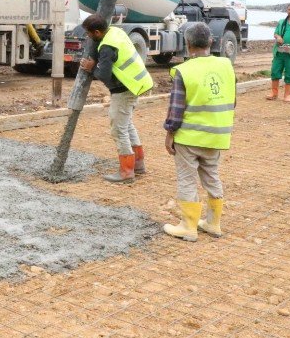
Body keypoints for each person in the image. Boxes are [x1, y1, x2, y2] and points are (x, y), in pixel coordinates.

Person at [162, 22, 235, 242]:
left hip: (189, 137)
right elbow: (232, 100)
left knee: (186, 179)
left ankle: (188, 226)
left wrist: (169, 133)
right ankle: (213, 223)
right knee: (212, 176)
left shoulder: (183, 70)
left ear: (187, 44)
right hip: (217, 135)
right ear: (212, 42)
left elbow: (176, 109)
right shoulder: (226, 65)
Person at [78, 14, 153, 183]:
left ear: (97, 32)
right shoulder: (115, 33)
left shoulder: (106, 47)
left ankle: (126, 172)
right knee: (127, 125)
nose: (88, 37)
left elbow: (103, 74)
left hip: (124, 89)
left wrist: (91, 68)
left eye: (89, 33)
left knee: (118, 129)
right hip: (136, 84)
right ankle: (138, 165)